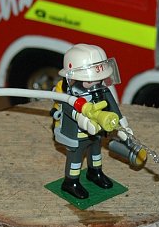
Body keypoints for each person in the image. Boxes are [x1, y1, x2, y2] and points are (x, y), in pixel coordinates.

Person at [52, 43, 133, 200]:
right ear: (73, 77)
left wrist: (123, 125)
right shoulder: (70, 96)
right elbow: (69, 110)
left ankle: (95, 172)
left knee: (96, 152)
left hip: (97, 131)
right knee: (75, 158)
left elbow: (113, 108)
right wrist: (83, 120)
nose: (96, 84)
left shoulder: (102, 91)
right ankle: (71, 181)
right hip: (78, 134)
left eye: (99, 79)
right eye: (91, 80)